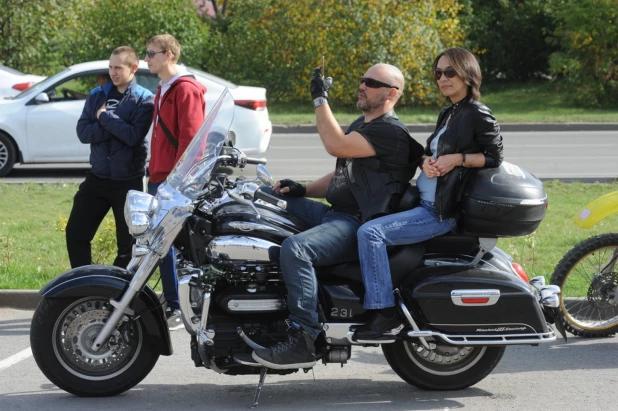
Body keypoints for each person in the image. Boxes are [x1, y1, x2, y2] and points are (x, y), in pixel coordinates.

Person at [252, 63, 424, 370]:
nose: (362, 85)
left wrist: (320, 99)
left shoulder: (390, 132)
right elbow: (342, 173)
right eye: (362, 79)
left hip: (356, 224)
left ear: (391, 93)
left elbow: (335, 145)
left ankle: (304, 336)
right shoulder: (365, 124)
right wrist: (303, 189)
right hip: (334, 214)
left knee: (297, 248)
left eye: (371, 82)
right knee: (264, 200)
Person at [353, 47, 504, 340]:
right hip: (424, 200)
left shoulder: (476, 112)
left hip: (439, 211)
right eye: (438, 73)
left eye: (450, 72)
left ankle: (384, 311)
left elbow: (494, 155)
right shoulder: (449, 112)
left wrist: (456, 159)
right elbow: (431, 150)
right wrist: (426, 161)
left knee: (371, 233)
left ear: (467, 74)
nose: (442, 78)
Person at [66, 47, 154, 269]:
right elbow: (83, 133)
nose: (113, 72)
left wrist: (104, 117)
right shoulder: (97, 95)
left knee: (128, 247)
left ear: (133, 68)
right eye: (110, 67)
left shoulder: (145, 99)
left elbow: (133, 137)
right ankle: (84, 284)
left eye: (118, 68)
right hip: (97, 178)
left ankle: (117, 292)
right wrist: (118, 125)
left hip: (128, 183)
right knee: (75, 234)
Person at [145, 34, 207, 330]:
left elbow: (193, 140)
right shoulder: (164, 88)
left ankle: (175, 304)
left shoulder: (185, 89)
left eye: (151, 53)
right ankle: (173, 301)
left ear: (168, 54)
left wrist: (177, 181)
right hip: (159, 177)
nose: (147, 59)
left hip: (172, 181)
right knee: (161, 243)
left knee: (166, 243)